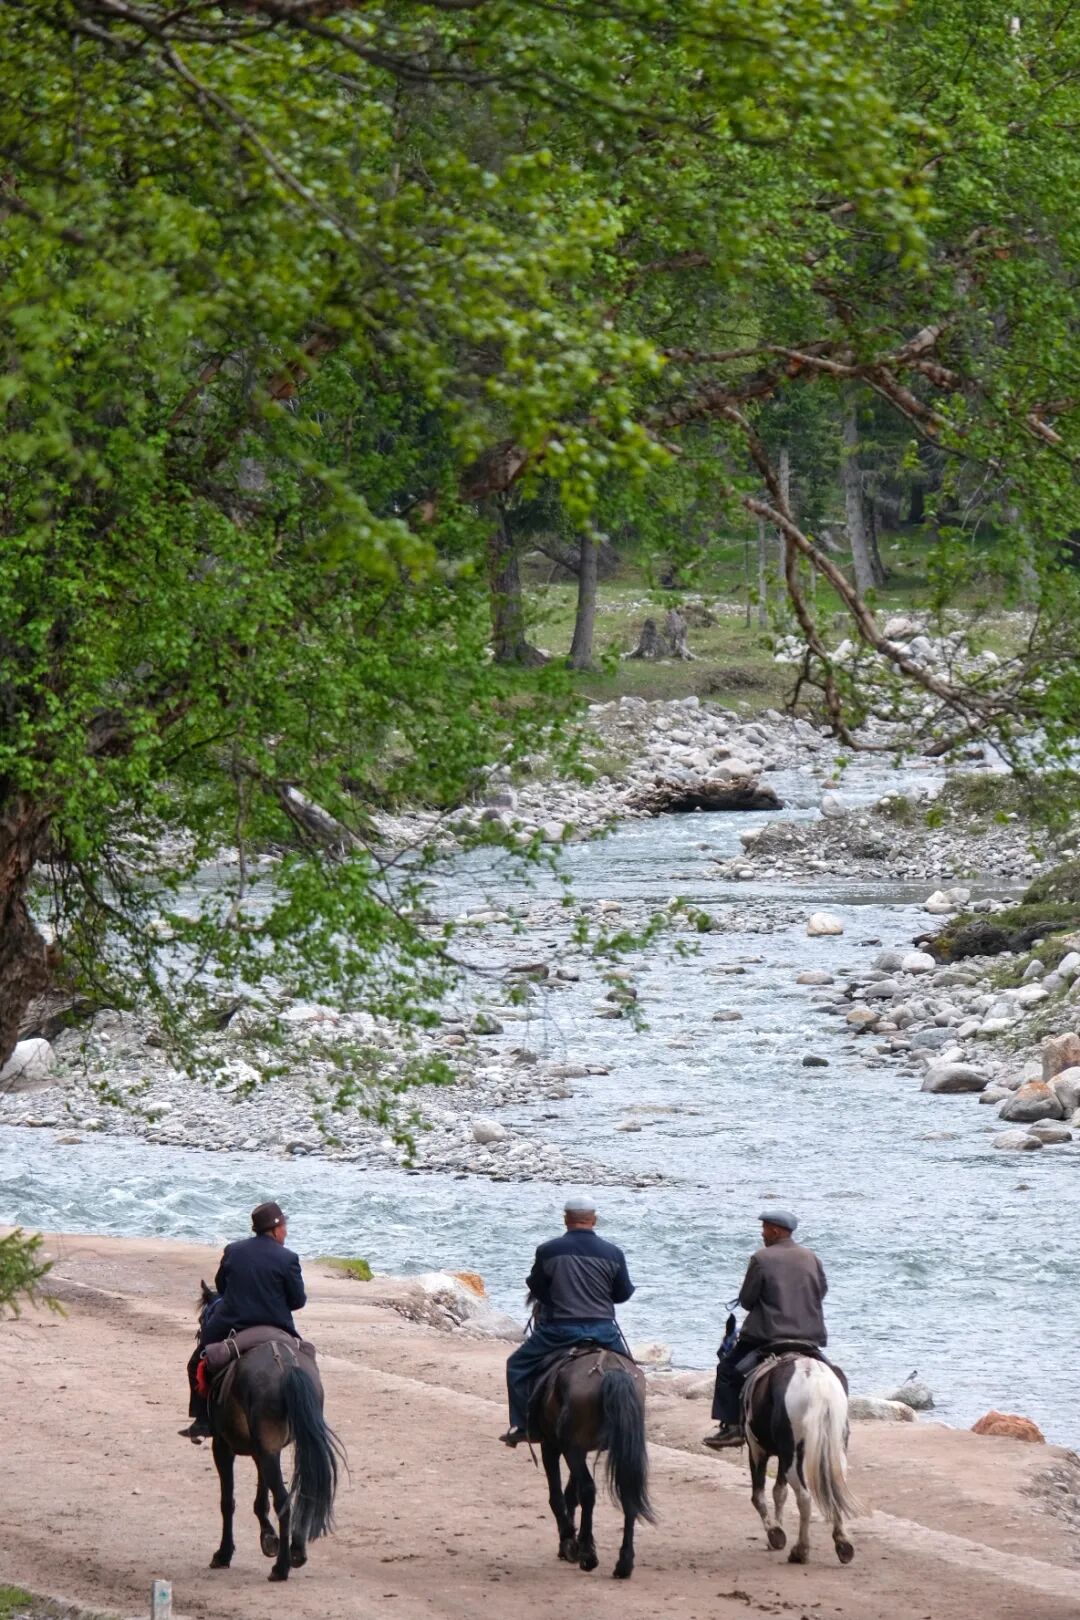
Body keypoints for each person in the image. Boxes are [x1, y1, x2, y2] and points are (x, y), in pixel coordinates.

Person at [500, 1194, 634, 1447]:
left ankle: (524, 1425)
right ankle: (630, 1425)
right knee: (632, 1373)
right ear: (594, 1219)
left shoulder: (548, 1250)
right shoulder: (613, 1253)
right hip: (604, 1330)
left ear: (566, 1220)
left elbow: (537, 1288)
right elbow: (623, 1294)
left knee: (516, 1365)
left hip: (558, 1330)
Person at [179, 1199, 307, 1442]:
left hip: (232, 1323)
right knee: (306, 1358)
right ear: (276, 1229)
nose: (286, 1232)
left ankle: (202, 1420)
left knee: (198, 1360)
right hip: (277, 1325)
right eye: (285, 1228)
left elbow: (222, 1287)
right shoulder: (288, 1258)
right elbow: (298, 1301)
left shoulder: (233, 1251)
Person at [703, 1208, 827, 1450]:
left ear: (775, 1230)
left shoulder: (761, 1258)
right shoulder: (812, 1257)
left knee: (728, 1370)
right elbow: (821, 1291)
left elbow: (748, 1301)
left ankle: (732, 1428)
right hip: (809, 1336)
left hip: (768, 1336)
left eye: (764, 1228)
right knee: (830, 1372)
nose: (762, 1233)